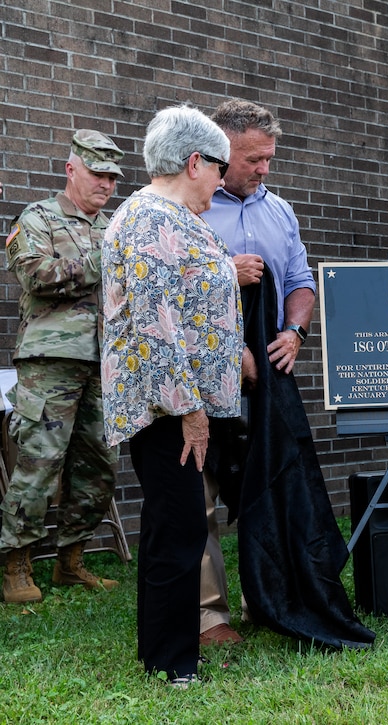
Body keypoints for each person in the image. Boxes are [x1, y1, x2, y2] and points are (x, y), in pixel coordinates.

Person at [198, 99, 373, 651]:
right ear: (221, 152)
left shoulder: (281, 210)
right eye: (254, 159)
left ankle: (267, 595)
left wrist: (294, 332)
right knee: (199, 494)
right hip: (203, 372)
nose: (264, 169)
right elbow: (172, 288)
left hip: (268, 377)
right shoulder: (189, 206)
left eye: (270, 158)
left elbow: (301, 280)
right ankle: (208, 616)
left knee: (268, 483)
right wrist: (224, 278)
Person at [100, 104, 243, 686]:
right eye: (219, 168)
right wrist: (190, 411)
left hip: (175, 404)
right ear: (193, 161)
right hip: (165, 409)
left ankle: (163, 653)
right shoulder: (152, 220)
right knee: (181, 526)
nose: (223, 179)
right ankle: (172, 664)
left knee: (172, 524)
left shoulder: (172, 218)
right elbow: (155, 326)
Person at [1, 130, 125, 604]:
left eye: (113, 177)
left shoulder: (115, 225)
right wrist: (106, 258)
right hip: (51, 361)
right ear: (71, 169)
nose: (107, 185)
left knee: (100, 466)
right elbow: (35, 275)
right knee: (38, 463)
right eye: (98, 174)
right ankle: (16, 563)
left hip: (106, 362)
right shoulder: (39, 218)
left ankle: (71, 562)